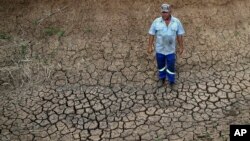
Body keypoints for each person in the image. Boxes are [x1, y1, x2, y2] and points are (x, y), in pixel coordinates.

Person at [147, 3, 185, 87]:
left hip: (170, 50)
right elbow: (151, 34)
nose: (164, 14)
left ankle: (171, 81)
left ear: (170, 12)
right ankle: (162, 78)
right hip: (160, 49)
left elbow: (179, 35)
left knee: (171, 65)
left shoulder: (176, 22)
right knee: (161, 65)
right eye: (163, 12)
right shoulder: (156, 21)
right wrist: (149, 46)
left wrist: (181, 47)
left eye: (166, 12)